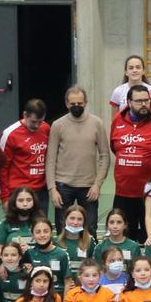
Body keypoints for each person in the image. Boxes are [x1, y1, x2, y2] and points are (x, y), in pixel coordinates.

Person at [47, 86, 110, 227]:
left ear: (86, 103)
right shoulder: (57, 125)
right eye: (73, 104)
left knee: (90, 229)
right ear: (67, 104)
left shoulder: (97, 123)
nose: (76, 106)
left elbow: (105, 156)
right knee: (62, 229)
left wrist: (97, 184)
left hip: (89, 188)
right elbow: (50, 159)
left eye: (80, 104)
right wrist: (52, 188)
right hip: (63, 186)